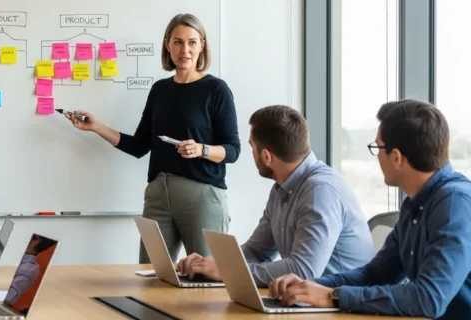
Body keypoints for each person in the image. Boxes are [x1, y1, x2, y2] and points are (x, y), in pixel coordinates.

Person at [269, 99, 471, 319]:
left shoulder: (455, 203)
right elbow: (376, 274)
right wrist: (309, 286)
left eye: (377, 148)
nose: (377, 158)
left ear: (396, 157)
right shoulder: (415, 203)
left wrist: (333, 296)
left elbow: (428, 298)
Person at [65, 13, 240, 263]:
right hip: (158, 196)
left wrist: (201, 149)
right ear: (167, 45)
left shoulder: (216, 89)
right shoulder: (160, 89)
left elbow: (233, 150)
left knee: (205, 278)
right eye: (178, 42)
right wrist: (96, 127)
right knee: (151, 276)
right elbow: (139, 146)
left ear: (202, 45)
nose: (185, 50)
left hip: (202, 196)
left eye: (192, 42)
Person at [175, 105, 375, 287]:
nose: (251, 153)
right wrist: (214, 263)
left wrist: (230, 272)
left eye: (252, 148)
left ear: (267, 157)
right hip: (305, 300)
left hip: (340, 304)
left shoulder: (320, 192)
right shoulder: (281, 187)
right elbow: (257, 251)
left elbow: (302, 271)